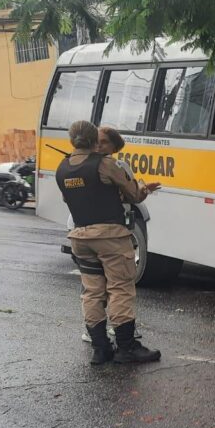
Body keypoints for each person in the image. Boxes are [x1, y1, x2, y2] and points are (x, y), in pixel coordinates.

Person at [56, 120, 161, 365]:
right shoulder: (106, 165)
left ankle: (100, 349)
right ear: (94, 141)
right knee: (120, 288)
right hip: (111, 238)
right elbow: (134, 194)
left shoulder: (62, 169)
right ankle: (126, 347)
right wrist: (144, 188)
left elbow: (70, 197)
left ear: (72, 141)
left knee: (92, 293)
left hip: (80, 238)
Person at [76, 126, 140, 343]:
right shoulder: (110, 165)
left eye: (104, 142)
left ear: (115, 146)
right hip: (108, 234)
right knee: (114, 286)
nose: (99, 145)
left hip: (82, 233)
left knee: (96, 287)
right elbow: (134, 194)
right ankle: (119, 337)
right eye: (97, 141)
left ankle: (102, 336)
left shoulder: (72, 165)